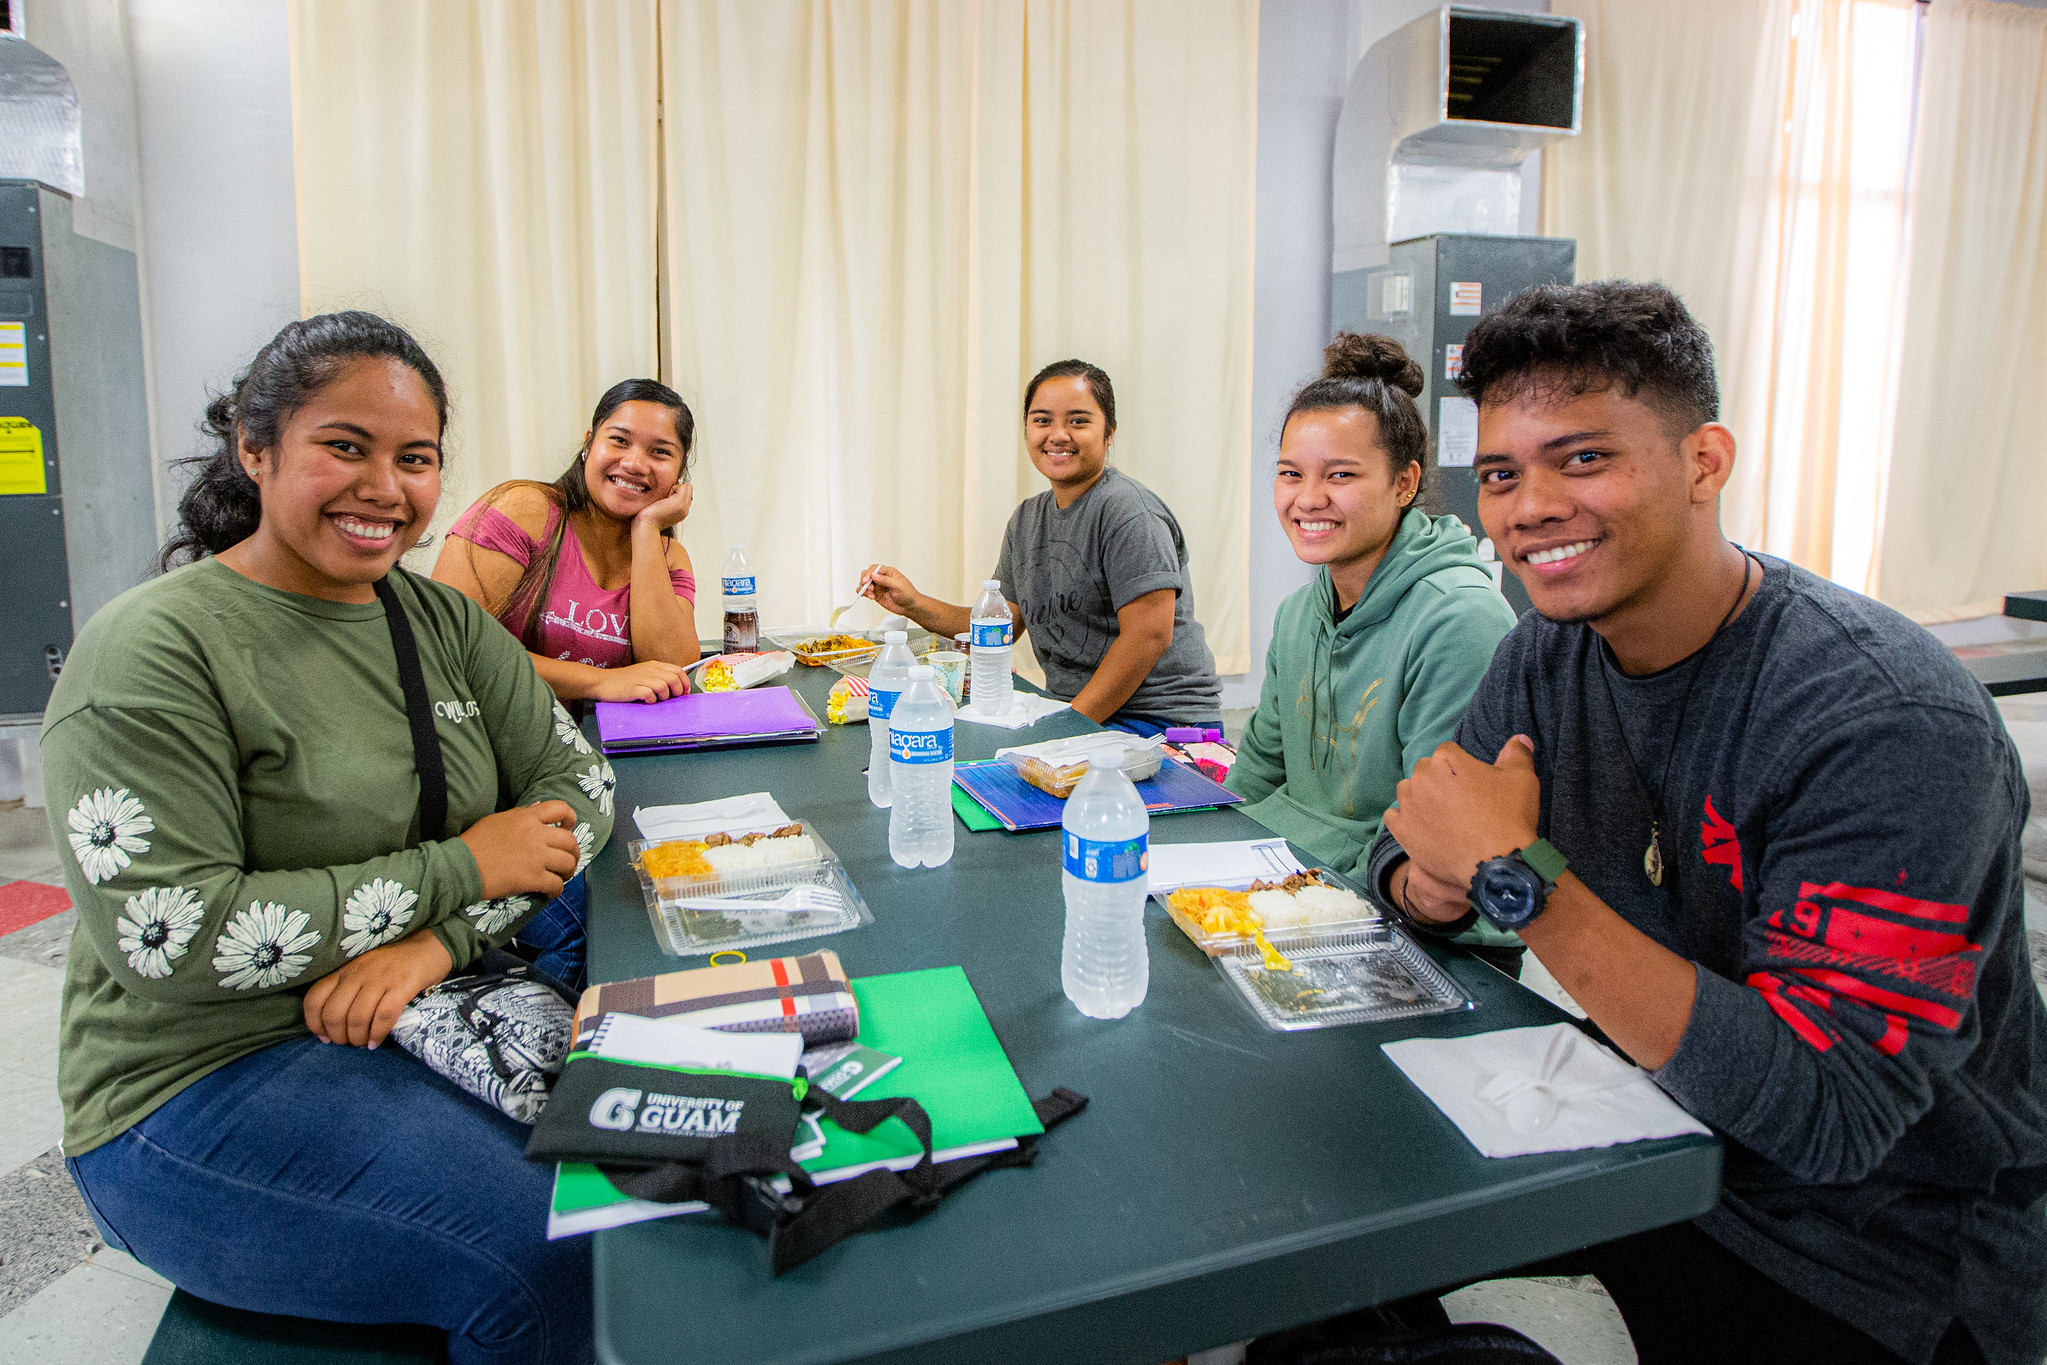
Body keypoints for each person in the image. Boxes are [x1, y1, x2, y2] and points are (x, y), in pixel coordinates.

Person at [1368, 282, 2047, 1363]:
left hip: (1877, 1249)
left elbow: (1828, 1112)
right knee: (1315, 1254)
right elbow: (1415, 847)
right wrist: (1430, 881)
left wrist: (1512, 876)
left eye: (1581, 459)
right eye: (1502, 473)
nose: (1527, 506)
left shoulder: (1885, 724)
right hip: (1655, 1132)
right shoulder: (1550, 649)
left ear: (1704, 462)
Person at [49, 312, 610, 1365]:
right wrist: (461, 866)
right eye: (344, 447)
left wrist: (436, 942)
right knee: (555, 1258)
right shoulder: (153, 653)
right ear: (254, 450)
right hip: (202, 1082)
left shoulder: (434, 623)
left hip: (419, 1000)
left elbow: (581, 789)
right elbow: (176, 938)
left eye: (416, 458)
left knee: (648, 1177)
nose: (383, 489)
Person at [1225, 333, 1517, 968]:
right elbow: (1256, 773)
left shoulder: (1458, 619)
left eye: (1341, 475)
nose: (1307, 499)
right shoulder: (1300, 613)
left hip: (1425, 937)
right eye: (1290, 474)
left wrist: (1284, 891)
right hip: (1299, 897)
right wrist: (1207, 858)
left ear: (1405, 483)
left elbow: (1433, 843)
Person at [859, 359, 1222, 732]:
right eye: (1042, 420)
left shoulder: (1128, 512)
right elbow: (1001, 625)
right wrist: (912, 602)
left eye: (1078, 421)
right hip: (1080, 713)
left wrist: (1066, 727)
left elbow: (1149, 636)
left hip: (1160, 721)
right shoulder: (1027, 520)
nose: (1058, 435)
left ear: (1109, 432)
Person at [433, 378, 700, 706]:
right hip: (493, 746)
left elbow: (672, 668)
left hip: (605, 750)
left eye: (660, 452)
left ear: (679, 473)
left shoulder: (668, 556)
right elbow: (445, 644)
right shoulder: (526, 509)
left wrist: (647, 526)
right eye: (619, 440)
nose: (634, 464)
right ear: (589, 444)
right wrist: (601, 682)